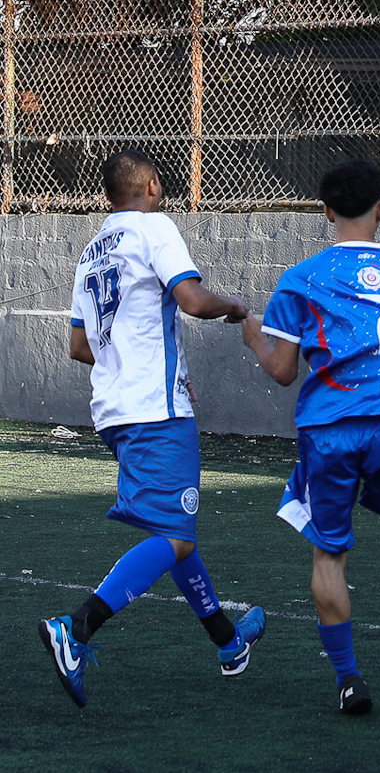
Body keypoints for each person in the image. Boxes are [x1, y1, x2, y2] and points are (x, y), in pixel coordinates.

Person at [241, 158, 380, 716]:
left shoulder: (300, 278)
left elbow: (283, 370)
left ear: (325, 211)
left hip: (329, 430)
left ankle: (349, 680)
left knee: (329, 554)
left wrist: (253, 337)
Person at [40, 149, 266, 708]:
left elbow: (77, 346)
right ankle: (78, 625)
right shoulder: (153, 226)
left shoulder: (90, 252)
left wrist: (132, 362)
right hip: (156, 411)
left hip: (114, 410)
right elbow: (191, 299)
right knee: (176, 535)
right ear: (152, 185)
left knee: (177, 534)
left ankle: (229, 643)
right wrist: (234, 306)